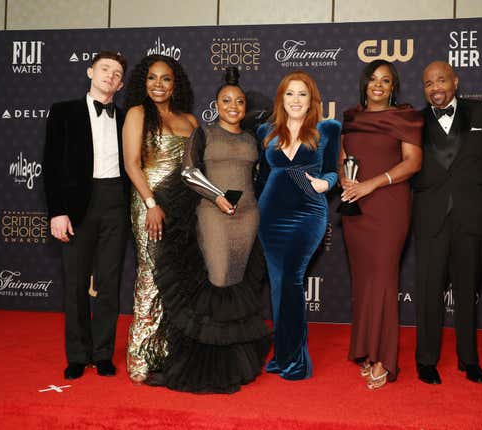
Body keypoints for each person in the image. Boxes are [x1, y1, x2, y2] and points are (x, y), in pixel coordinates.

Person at [142, 67, 271, 393]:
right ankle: (209, 368)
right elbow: (188, 173)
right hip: (213, 215)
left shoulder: (252, 137)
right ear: (217, 104)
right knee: (217, 281)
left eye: (239, 101)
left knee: (237, 287)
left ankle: (234, 364)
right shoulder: (204, 134)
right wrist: (216, 197)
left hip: (247, 218)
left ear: (245, 106)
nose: (233, 106)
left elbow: (261, 176)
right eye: (226, 100)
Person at [43, 51, 129, 380]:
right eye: (104, 68)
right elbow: (51, 165)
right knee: (76, 284)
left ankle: (103, 353)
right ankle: (78, 355)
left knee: (110, 282)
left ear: (120, 84)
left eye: (116, 72)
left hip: (115, 202)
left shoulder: (124, 119)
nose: (109, 75)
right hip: (77, 205)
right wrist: (57, 212)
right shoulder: (64, 112)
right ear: (90, 71)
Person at [340, 59, 423, 389]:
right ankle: (366, 349)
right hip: (355, 205)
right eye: (373, 79)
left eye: (386, 81)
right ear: (364, 83)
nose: (378, 85)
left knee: (385, 279)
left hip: (388, 206)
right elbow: (343, 154)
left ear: (393, 87)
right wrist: (346, 180)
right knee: (362, 280)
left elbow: (413, 163)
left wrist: (372, 183)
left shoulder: (404, 116)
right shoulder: (351, 117)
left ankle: (384, 359)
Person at [411, 61, 482, 386]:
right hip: (430, 216)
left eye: (441, 80)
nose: (436, 88)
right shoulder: (414, 121)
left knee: (467, 290)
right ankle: (426, 360)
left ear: (455, 81)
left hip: (471, 215)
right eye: (429, 83)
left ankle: (469, 359)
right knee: (429, 292)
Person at [257, 71, 340, 380]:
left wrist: (324, 183)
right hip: (270, 216)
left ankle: (295, 360)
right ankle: (281, 354)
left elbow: (334, 172)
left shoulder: (327, 129)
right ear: (281, 99)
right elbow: (262, 178)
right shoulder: (266, 130)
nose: (295, 100)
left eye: (302, 94)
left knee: (291, 280)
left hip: (307, 214)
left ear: (311, 100)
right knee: (278, 286)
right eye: (289, 94)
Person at [122, 54, 198, 383]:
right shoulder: (138, 114)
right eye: (152, 78)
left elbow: (195, 170)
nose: (158, 85)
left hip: (183, 207)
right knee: (151, 276)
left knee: (177, 280)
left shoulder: (191, 121)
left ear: (175, 84)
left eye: (165, 79)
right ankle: (141, 354)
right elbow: (132, 164)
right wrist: (151, 203)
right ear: (143, 82)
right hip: (149, 204)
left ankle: (168, 353)